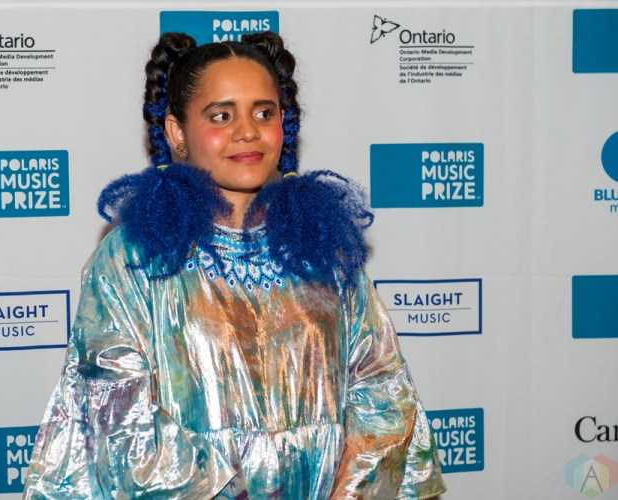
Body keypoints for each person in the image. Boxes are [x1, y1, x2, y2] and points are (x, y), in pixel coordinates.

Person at [23, 31, 446, 499]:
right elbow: (118, 420)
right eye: (221, 115)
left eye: (264, 113)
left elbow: (382, 395)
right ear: (176, 132)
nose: (248, 131)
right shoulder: (137, 256)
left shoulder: (324, 248)